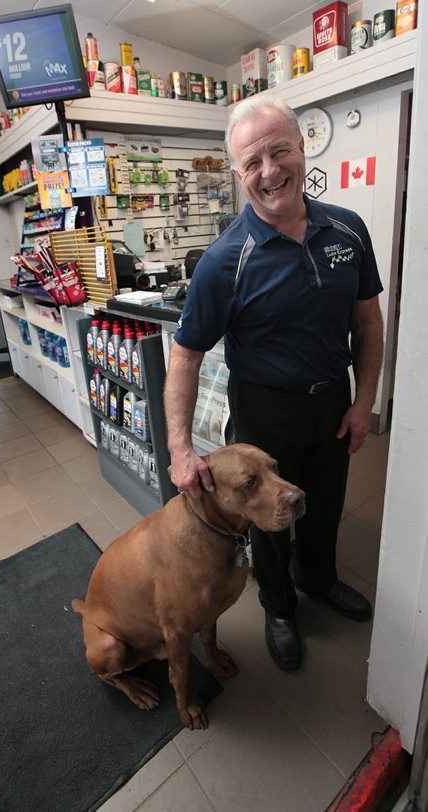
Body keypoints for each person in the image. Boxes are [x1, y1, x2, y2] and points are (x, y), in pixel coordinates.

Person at [163, 95, 384, 672]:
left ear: (301, 146)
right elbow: (185, 356)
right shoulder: (224, 259)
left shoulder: (348, 230)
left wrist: (364, 403)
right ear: (239, 175)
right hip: (262, 413)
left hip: (332, 399)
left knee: (325, 502)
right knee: (265, 519)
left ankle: (318, 580)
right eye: (252, 161)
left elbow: (367, 322)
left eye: (279, 149)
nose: (270, 170)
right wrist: (180, 448)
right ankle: (279, 606)